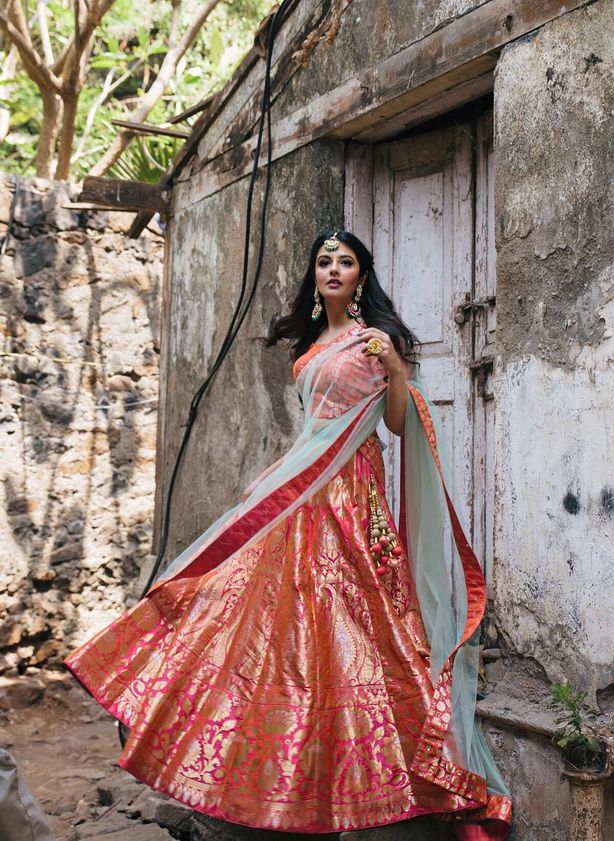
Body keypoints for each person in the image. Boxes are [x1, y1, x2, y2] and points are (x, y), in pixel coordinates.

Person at [64, 230, 512, 839]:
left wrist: (397, 367)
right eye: (325, 261)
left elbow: (401, 426)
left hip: (355, 498)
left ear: (361, 277)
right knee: (280, 622)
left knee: (366, 622)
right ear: (316, 275)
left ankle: (391, 768)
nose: (333, 269)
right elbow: (311, 435)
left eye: (345, 262)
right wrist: (271, 478)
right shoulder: (308, 348)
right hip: (303, 498)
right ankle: (281, 767)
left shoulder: (374, 342)